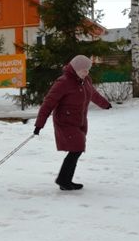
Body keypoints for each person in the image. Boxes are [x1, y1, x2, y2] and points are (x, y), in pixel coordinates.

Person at [33, 55, 112, 191]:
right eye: (83, 70)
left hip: (79, 121)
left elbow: (93, 94)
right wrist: (39, 124)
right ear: (75, 69)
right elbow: (48, 103)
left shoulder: (85, 80)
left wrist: (105, 104)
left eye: (88, 70)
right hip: (65, 121)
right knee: (77, 148)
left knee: (77, 149)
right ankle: (63, 180)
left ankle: (65, 180)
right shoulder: (63, 82)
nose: (86, 73)